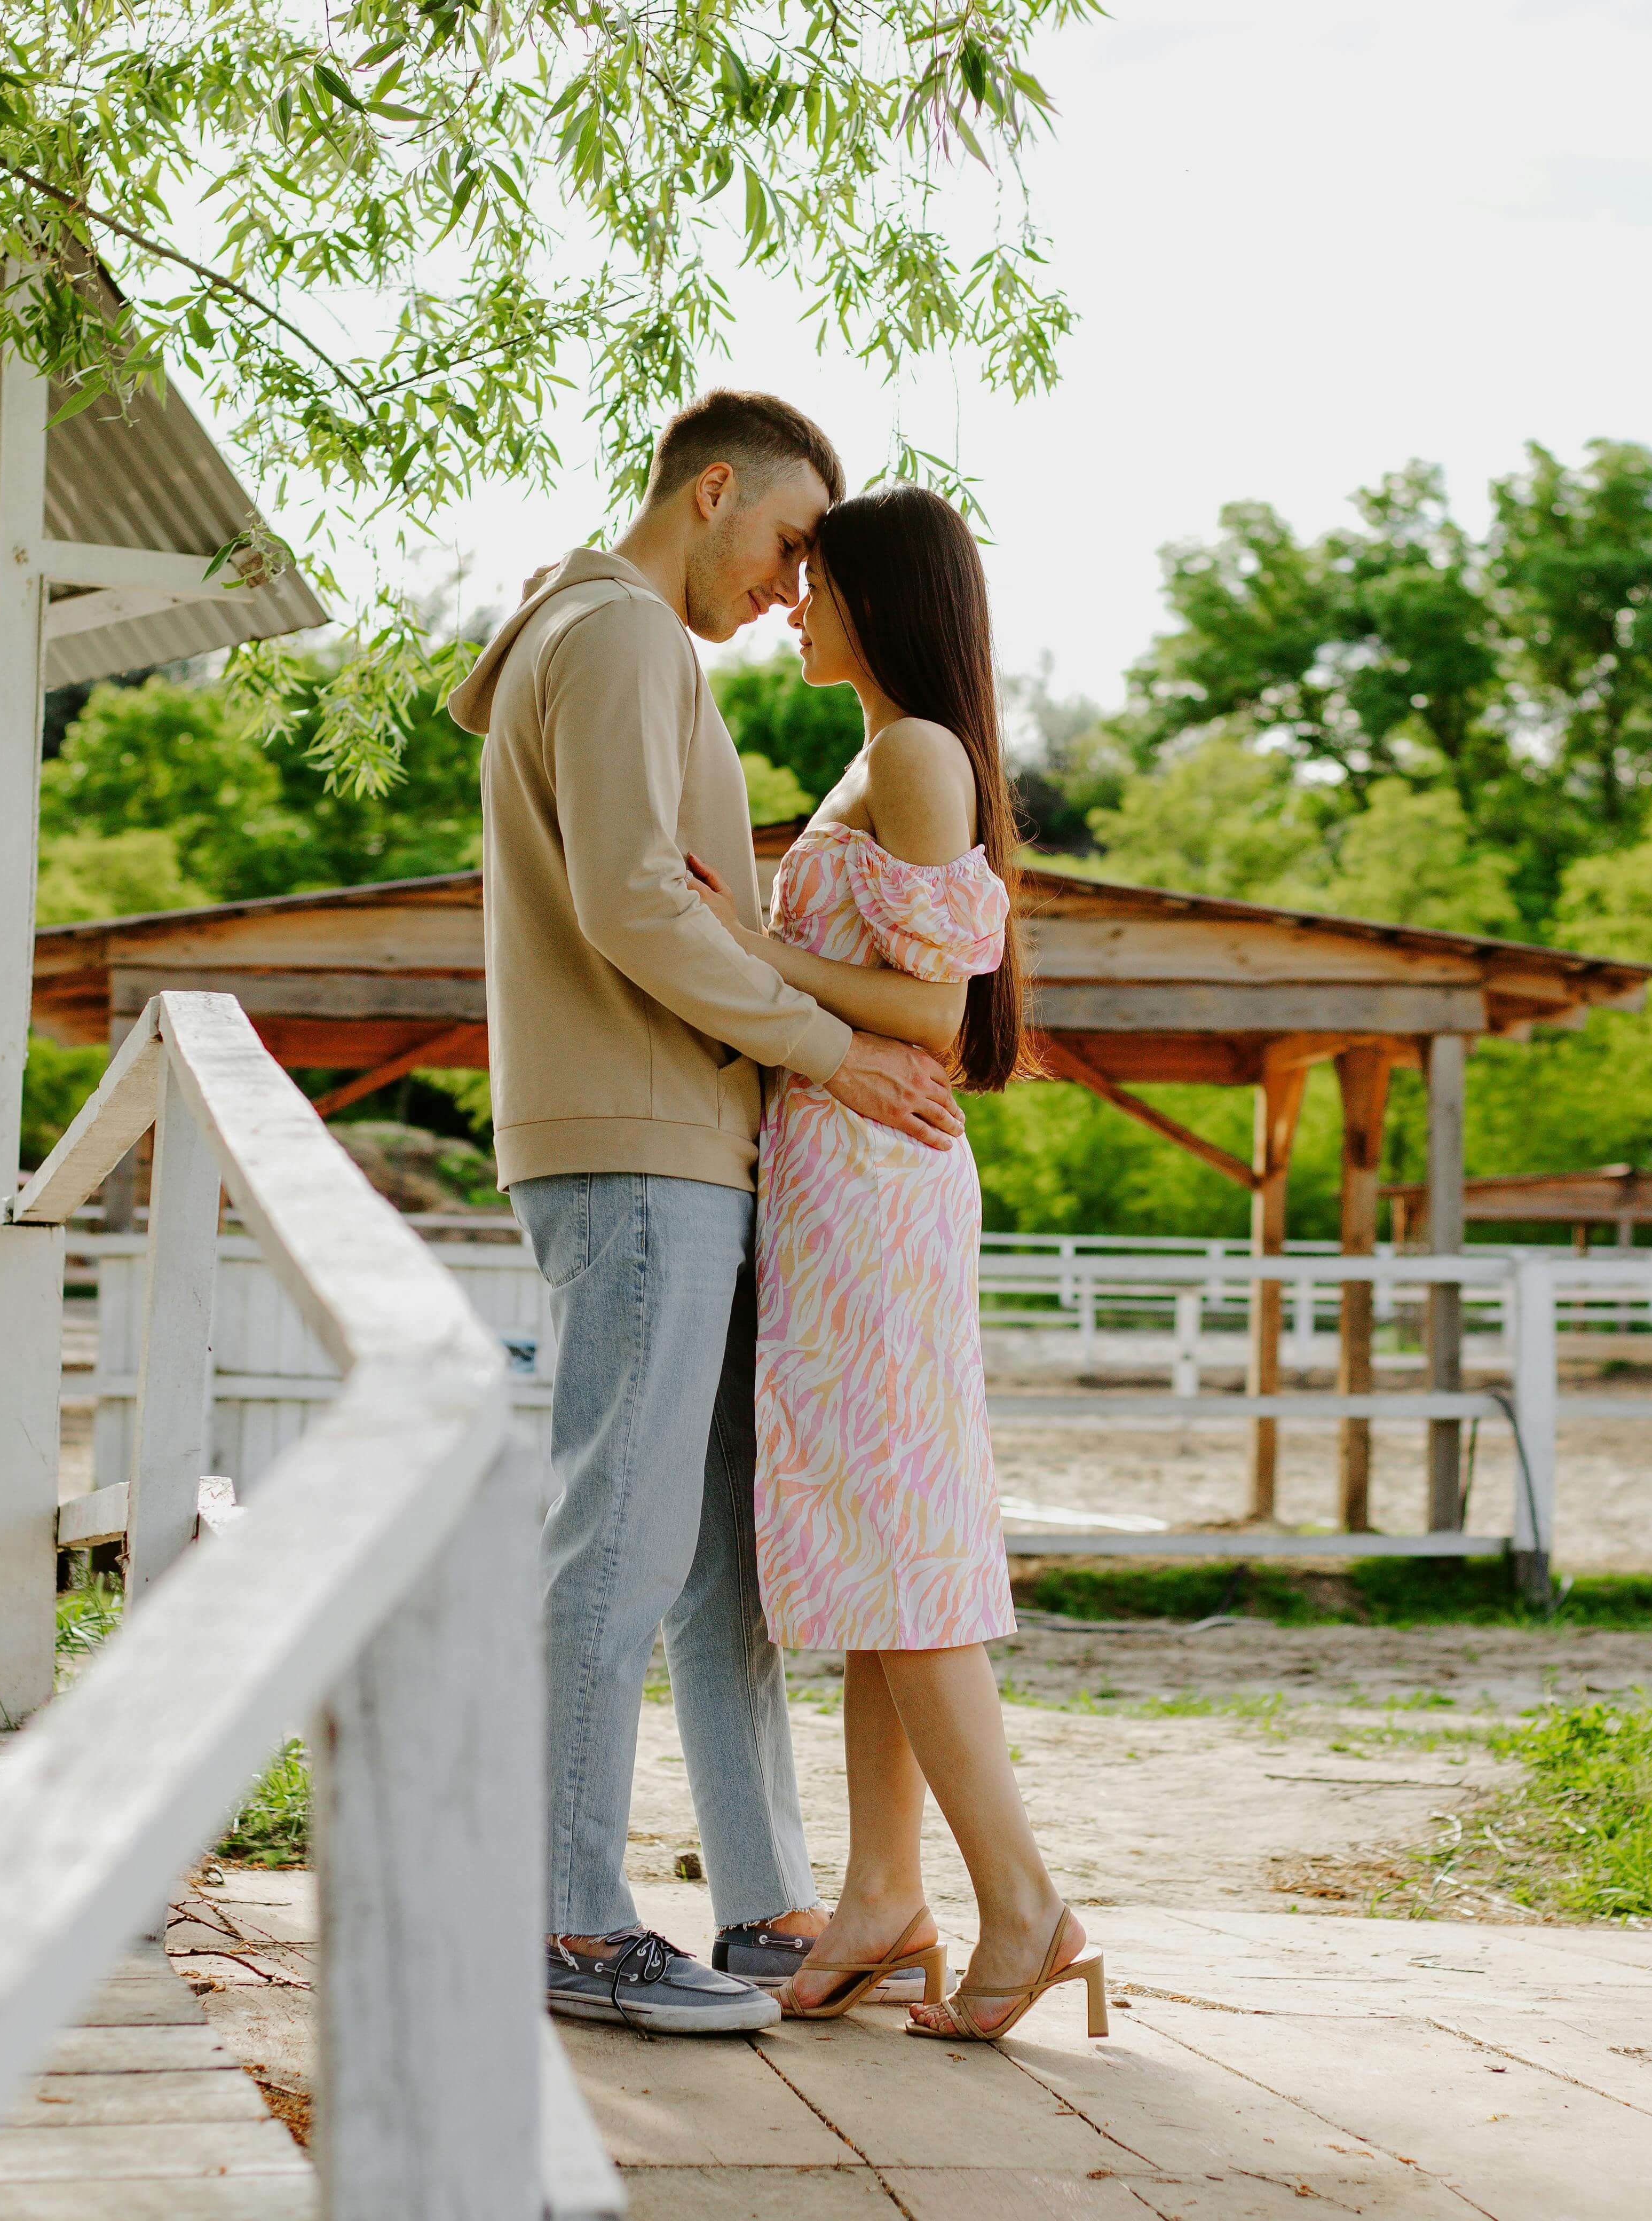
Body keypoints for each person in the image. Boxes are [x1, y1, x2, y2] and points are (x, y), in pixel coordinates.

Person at [447, 390, 971, 2035]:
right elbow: (628, 906)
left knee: (717, 1554)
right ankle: (567, 1919)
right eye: (787, 542)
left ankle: (760, 1900)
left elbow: (673, 904)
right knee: (617, 1534)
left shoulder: (603, 636)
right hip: (637, 1142)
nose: (791, 583)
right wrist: (834, 1048)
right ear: (714, 490)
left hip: (691, 1141)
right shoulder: (617, 640)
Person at [679, 483, 1110, 2044]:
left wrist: (735, 942)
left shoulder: (918, 753)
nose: (792, 601)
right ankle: (881, 1897)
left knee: (902, 1549)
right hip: (838, 1175)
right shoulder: (879, 757)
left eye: (817, 581)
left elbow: (944, 1018)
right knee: (872, 1549)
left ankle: (1023, 1905)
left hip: (876, 1173)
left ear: (880, 597)